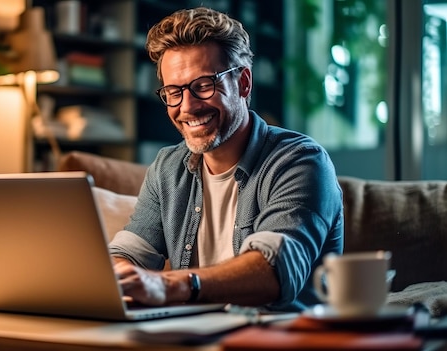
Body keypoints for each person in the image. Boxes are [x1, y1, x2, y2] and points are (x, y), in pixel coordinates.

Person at [108, 7, 343, 312]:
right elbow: (128, 252)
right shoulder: (167, 168)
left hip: (281, 336)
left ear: (244, 83)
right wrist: (119, 274)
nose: (187, 107)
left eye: (204, 85)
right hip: (197, 336)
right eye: (173, 91)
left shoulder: (300, 162)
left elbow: (273, 270)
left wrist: (170, 285)